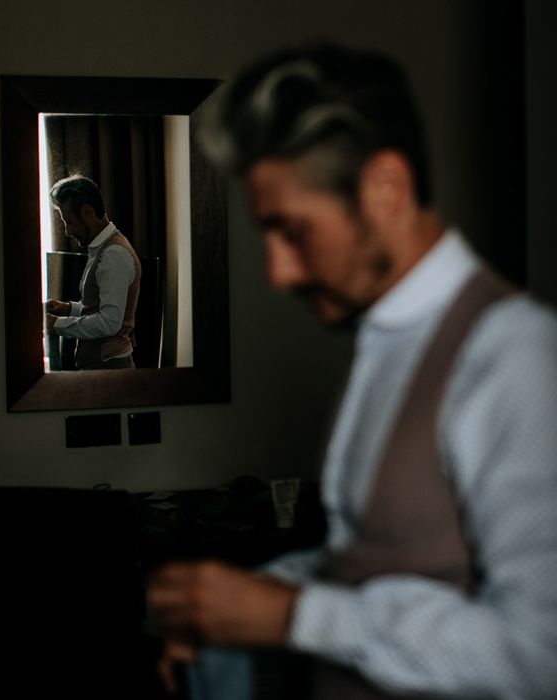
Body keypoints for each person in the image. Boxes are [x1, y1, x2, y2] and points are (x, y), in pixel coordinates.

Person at [147, 43, 557, 699]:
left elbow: (540, 657)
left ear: (386, 188)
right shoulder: (385, 342)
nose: (278, 274)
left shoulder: (514, 357)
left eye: (293, 231)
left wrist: (291, 616)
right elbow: (375, 561)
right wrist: (230, 605)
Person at [46, 175, 141, 369]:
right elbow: (100, 307)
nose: (67, 231)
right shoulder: (103, 249)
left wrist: (58, 324)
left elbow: (109, 323)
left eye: (69, 221)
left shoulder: (114, 254)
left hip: (110, 369)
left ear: (87, 212)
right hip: (103, 366)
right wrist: (68, 309)